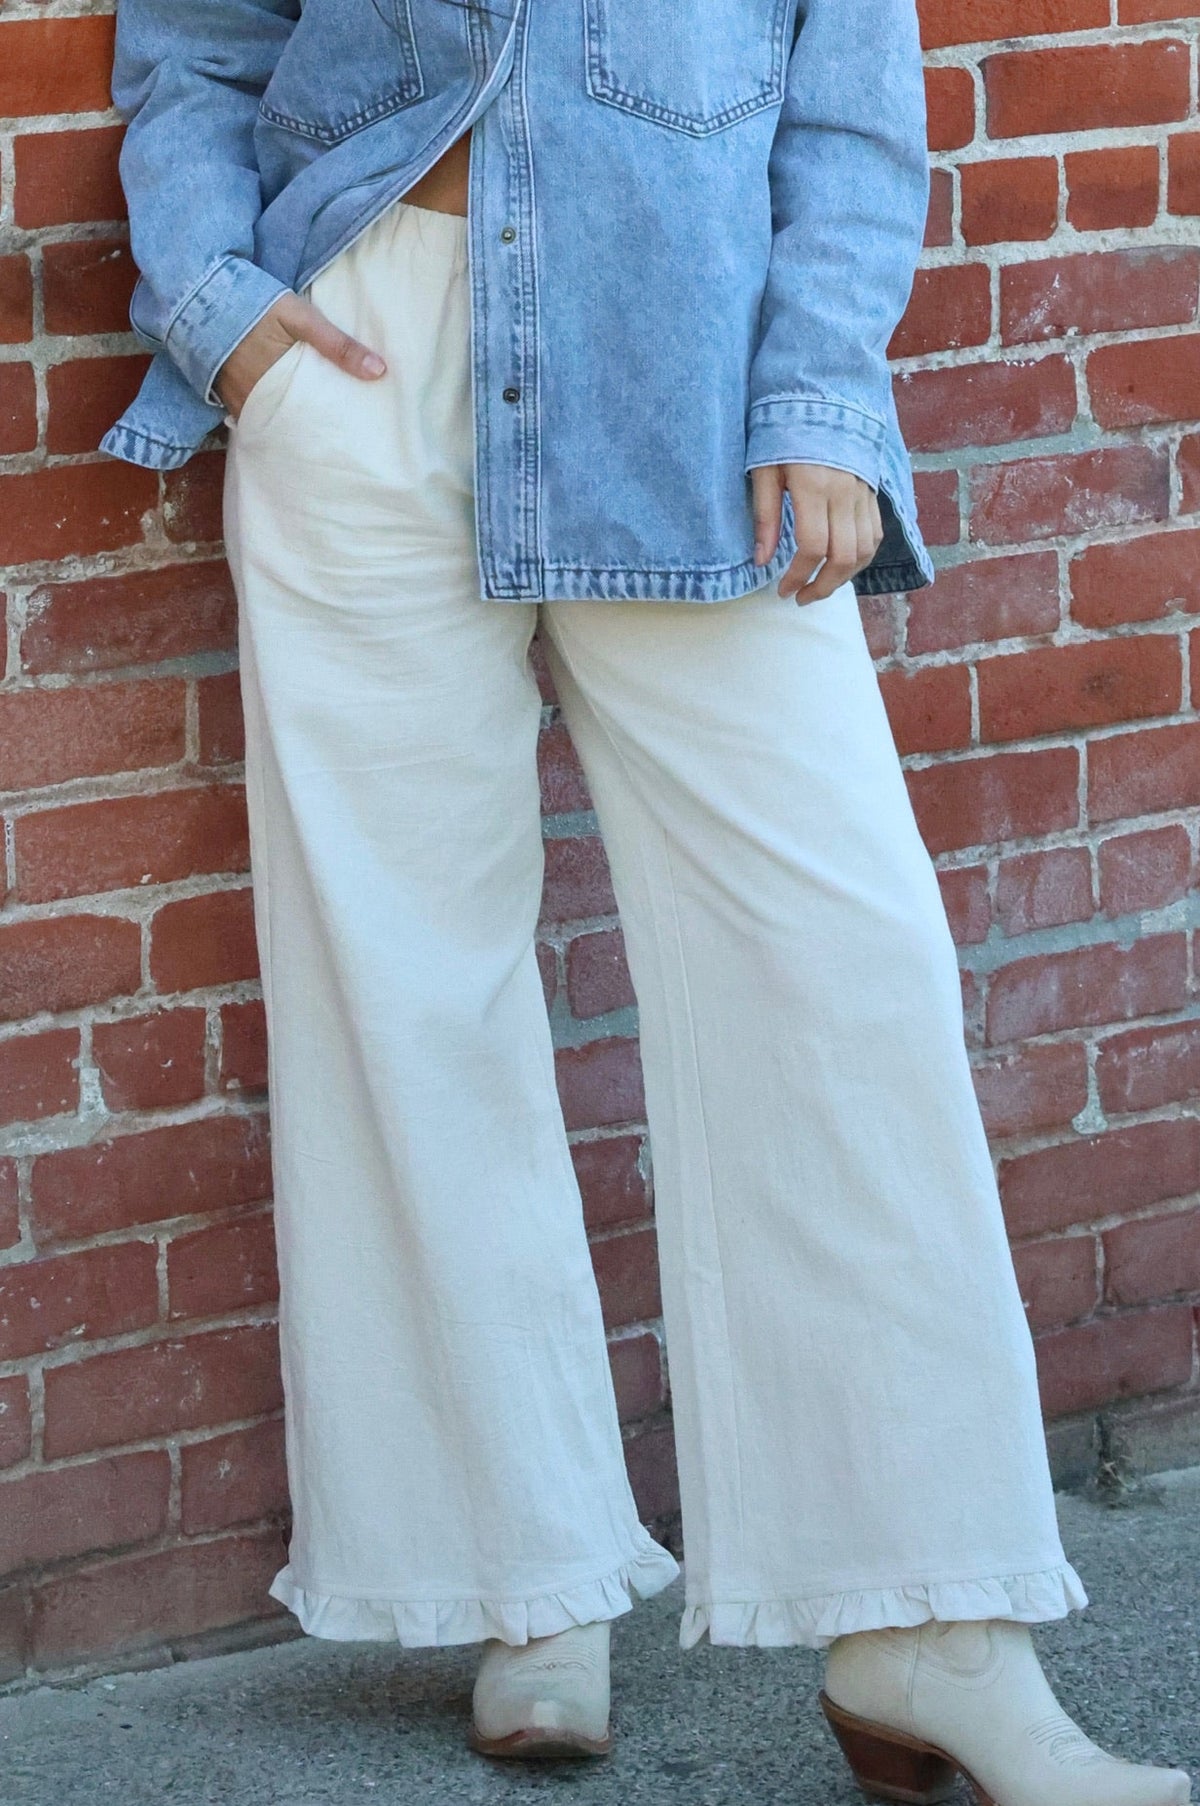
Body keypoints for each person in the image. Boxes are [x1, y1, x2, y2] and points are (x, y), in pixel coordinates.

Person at [101, 2, 1191, 1801]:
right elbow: (196, 38)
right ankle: (520, 1568)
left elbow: (853, 107)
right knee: (409, 985)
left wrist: (825, 387)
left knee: (841, 966)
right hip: (355, 363)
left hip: (691, 383)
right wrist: (221, 314)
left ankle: (932, 1619)